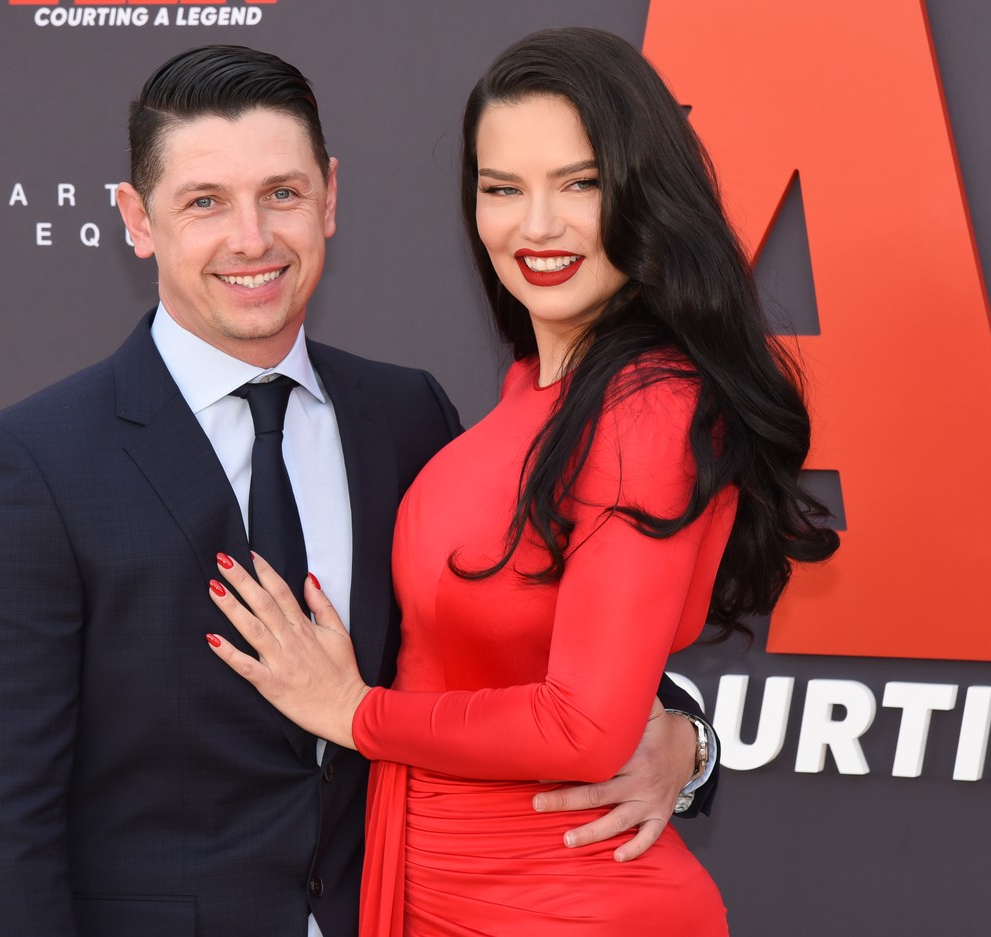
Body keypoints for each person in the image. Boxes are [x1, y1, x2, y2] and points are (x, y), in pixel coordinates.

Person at [0, 44, 719, 937]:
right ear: (137, 220)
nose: (252, 238)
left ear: (329, 198)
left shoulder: (407, 417)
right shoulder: (31, 464)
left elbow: (511, 632)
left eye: (282, 193)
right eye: (204, 202)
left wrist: (684, 738)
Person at [207, 28, 840, 936]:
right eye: (502, 188)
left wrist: (356, 712)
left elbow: (584, 725)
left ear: (643, 192)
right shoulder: (524, 402)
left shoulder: (650, 405)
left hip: (561, 905)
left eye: (579, 183)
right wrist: (688, 737)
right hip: (439, 885)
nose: (536, 226)